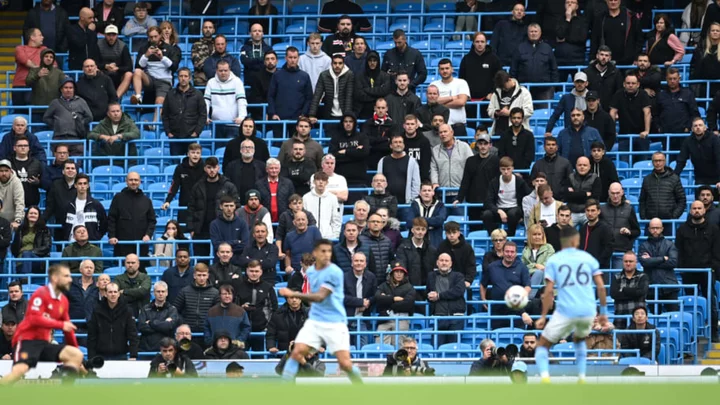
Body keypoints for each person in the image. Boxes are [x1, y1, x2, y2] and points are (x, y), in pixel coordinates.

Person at [534, 226, 608, 383]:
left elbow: (548, 292)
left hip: (566, 310)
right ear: (576, 241)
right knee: (579, 339)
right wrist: (603, 313)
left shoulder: (554, 260)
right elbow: (601, 287)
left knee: (542, 345)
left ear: (562, 242)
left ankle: (545, 378)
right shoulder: (588, 258)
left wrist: (543, 316)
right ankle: (581, 377)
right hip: (588, 311)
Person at [0, 265, 84, 385]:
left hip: (44, 344)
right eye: (66, 276)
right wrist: (61, 324)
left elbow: (68, 329)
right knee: (19, 371)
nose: (70, 279)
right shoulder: (41, 294)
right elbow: (35, 319)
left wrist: (74, 350)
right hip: (26, 342)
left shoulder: (63, 301)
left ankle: (66, 393)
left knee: (76, 355)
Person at [676, 200, 720, 342]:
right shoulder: (682, 229)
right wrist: (682, 268)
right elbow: (679, 250)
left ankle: (713, 333)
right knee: (690, 304)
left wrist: (713, 267)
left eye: (699, 208)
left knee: (711, 303)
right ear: (690, 211)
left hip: (707, 271)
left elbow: (717, 250)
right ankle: (692, 335)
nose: (697, 211)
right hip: (689, 272)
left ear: (704, 210)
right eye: (694, 208)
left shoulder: (713, 229)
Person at [188, 157, 239, 260]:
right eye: (209, 167)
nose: (212, 170)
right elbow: (191, 208)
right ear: (205, 168)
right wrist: (191, 228)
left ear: (218, 168)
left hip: (222, 228)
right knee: (202, 261)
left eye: (214, 167)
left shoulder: (228, 186)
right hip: (201, 229)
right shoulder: (197, 186)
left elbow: (236, 205)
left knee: (221, 260)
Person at [481, 241, 532, 329]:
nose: (509, 254)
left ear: (516, 253)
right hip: (497, 309)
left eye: (512, 252)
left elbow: (527, 286)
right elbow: (483, 284)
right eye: (507, 251)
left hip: (516, 308)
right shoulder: (492, 267)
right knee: (496, 337)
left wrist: (522, 295)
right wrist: (483, 299)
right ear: (502, 252)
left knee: (517, 337)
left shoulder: (522, 267)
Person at [455, 131, 500, 227]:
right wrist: (459, 198)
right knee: (474, 228)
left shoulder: (496, 161)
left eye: (485, 144)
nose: (483, 146)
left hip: (491, 201)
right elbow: (465, 180)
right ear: (477, 145)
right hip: (473, 200)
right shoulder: (470, 161)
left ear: (490, 145)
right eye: (480, 144)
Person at [108, 172, 156, 259]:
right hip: (122, 244)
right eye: (131, 180)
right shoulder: (118, 198)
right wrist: (112, 236)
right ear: (126, 181)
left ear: (140, 182)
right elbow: (111, 218)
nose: (133, 182)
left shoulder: (146, 200)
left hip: (141, 244)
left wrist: (148, 235)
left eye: (136, 180)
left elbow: (152, 220)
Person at [231, 260, 277, 352]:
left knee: (259, 359)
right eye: (251, 271)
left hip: (261, 330)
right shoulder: (239, 286)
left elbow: (274, 309)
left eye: (256, 271)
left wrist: (268, 326)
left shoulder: (268, 287)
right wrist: (241, 308)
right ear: (247, 271)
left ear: (261, 272)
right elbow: (232, 306)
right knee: (241, 358)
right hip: (241, 330)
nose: (254, 274)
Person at [161, 68, 207, 157]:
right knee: (175, 164)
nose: (183, 78)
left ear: (190, 78)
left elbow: (203, 115)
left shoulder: (198, 94)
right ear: (178, 77)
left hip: (192, 136)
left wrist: (196, 132)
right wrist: (168, 132)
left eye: (185, 76)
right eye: (181, 76)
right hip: (174, 136)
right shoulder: (170, 94)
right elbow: (165, 115)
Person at [87, 282, 138, 360]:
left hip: (121, 355)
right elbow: (92, 336)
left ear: (119, 294)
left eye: (115, 292)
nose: (113, 294)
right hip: (100, 355)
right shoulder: (97, 310)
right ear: (106, 294)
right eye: (110, 292)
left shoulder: (127, 311)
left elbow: (132, 334)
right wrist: (91, 357)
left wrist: (133, 355)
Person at [42, 77, 92, 156]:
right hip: (59, 138)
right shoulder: (55, 103)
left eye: (71, 88)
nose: (68, 90)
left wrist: (79, 123)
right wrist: (57, 124)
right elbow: (46, 118)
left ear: (74, 89)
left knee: (76, 163)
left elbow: (89, 117)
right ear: (61, 89)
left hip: (76, 138)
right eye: (66, 88)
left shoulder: (81, 102)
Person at [638, 218, 679, 313]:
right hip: (651, 286)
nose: (655, 230)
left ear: (662, 229)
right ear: (648, 229)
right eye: (652, 228)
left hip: (669, 286)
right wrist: (663, 258)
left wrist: (652, 261)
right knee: (654, 317)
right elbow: (644, 262)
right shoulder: (643, 246)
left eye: (657, 228)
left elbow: (673, 262)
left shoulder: (670, 245)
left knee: (673, 316)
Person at [483, 157, 531, 236]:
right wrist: (498, 211)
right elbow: (488, 201)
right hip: (499, 208)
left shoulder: (519, 181)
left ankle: (510, 236)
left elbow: (529, 195)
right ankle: (494, 236)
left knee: (512, 214)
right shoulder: (494, 182)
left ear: (512, 168)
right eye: (503, 169)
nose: (506, 172)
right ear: (500, 169)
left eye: (508, 169)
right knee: (486, 215)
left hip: (515, 209)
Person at [459, 32, 501, 123]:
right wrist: (465, 95)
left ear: (486, 43)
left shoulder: (494, 59)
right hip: (470, 102)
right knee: (471, 126)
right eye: (477, 41)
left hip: (488, 101)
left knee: (488, 127)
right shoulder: (466, 59)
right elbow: (461, 80)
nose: (480, 44)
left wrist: (493, 93)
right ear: (473, 43)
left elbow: (499, 78)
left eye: (482, 41)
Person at [510, 24, 559, 101]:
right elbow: (513, 69)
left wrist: (553, 86)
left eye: (536, 31)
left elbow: (554, 68)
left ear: (540, 33)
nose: (533, 33)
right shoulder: (520, 48)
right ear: (528, 33)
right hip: (523, 89)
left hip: (544, 89)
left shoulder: (547, 48)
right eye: (531, 31)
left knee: (544, 112)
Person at [427, 253, 467, 345]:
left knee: (453, 348)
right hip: (438, 318)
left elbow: (458, 291)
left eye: (446, 261)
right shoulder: (431, 276)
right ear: (437, 263)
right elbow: (428, 292)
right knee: (436, 347)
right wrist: (430, 296)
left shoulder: (458, 276)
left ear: (451, 263)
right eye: (441, 260)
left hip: (455, 317)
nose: (444, 263)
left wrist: (439, 296)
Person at [162, 144, 204, 230]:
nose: (195, 155)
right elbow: (174, 186)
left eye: (198, 153)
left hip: (201, 207)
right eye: (193, 152)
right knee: (183, 235)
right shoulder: (180, 168)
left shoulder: (205, 168)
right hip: (185, 207)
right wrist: (168, 201)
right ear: (188, 154)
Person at [609, 72, 652, 154]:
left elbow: (647, 112)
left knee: (642, 162)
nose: (630, 85)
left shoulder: (643, 94)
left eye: (633, 83)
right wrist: (612, 130)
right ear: (624, 84)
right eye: (628, 83)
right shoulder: (618, 94)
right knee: (623, 161)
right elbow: (612, 112)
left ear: (638, 84)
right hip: (624, 136)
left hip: (641, 136)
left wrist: (646, 131)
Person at [589, 0, 643, 65]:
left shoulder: (631, 17)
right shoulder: (600, 18)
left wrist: (636, 58)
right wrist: (592, 58)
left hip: (627, 62)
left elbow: (639, 39)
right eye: (611, 0)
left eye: (615, 0)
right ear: (606, 1)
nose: (613, 2)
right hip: (605, 62)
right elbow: (594, 39)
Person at [174, 263, 220, 339]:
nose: (201, 278)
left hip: (208, 333)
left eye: (204, 275)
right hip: (188, 333)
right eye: (199, 275)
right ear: (194, 276)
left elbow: (218, 313)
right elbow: (175, 310)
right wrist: (183, 323)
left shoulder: (215, 293)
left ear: (208, 276)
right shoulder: (185, 291)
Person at [639, 152, 686, 225]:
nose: (658, 163)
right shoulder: (647, 179)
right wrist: (643, 217)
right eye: (655, 161)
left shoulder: (674, 178)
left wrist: (674, 217)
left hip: (669, 222)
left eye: (660, 160)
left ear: (665, 161)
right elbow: (642, 200)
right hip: (650, 222)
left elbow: (682, 200)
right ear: (652, 162)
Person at [204, 60, 247, 139]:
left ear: (229, 70)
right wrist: (205, 116)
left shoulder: (237, 82)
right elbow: (206, 102)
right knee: (217, 150)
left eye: (225, 70)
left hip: (233, 125)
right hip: (216, 125)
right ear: (216, 71)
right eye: (220, 70)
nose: (223, 73)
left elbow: (241, 101)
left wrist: (242, 116)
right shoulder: (211, 82)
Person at [375, 262, 415, 346]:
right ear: (392, 273)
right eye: (396, 272)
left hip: (402, 319)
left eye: (401, 272)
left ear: (404, 274)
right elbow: (377, 298)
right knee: (380, 346)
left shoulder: (409, 287)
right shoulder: (384, 285)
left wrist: (387, 301)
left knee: (399, 348)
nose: (399, 274)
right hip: (384, 318)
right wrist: (393, 299)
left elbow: (408, 304)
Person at [430, 124, 473, 200]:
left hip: (460, 192)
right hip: (441, 192)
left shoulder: (464, 147)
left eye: (445, 131)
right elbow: (434, 169)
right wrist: (434, 182)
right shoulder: (435, 150)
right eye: (441, 132)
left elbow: (471, 167)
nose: (443, 134)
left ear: (452, 132)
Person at [603, 183, 641, 268]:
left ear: (622, 192)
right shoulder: (602, 210)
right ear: (609, 193)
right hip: (604, 253)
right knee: (604, 281)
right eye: (613, 193)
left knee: (618, 280)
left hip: (622, 252)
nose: (615, 196)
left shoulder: (629, 209)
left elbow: (637, 231)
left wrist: (629, 232)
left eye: (617, 193)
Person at [329, 113, 369, 191]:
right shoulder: (336, 138)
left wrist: (345, 151)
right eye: (346, 121)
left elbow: (364, 153)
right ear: (342, 123)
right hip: (339, 179)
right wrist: (355, 152)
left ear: (354, 123)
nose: (348, 124)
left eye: (351, 121)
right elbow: (333, 156)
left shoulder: (362, 137)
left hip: (358, 179)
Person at [674, 117, 720, 188]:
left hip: (716, 177)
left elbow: (719, 159)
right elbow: (681, 160)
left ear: (705, 127)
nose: (698, 127)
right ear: (692, 129)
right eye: (695, 126)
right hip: (699, 177)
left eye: (700, 125)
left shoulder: (714, 139)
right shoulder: (688, 141)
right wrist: (674, 177)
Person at [343, 252, 377, 347]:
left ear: (365, 264)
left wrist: (368, 302)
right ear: (352, 263)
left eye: (361, 261)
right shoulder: (344, 277)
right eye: (356, 260)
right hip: (346, 318)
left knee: (363, 349)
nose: (359, 263)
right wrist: (360, 302)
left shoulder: (371, 277)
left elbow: (375, 295)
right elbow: (341, 297)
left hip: (363, 318)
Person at [309, 54, 354, 122]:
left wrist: (347, 116)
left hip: (344, 115)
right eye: (335, 63)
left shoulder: (349, 74)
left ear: (343, 64)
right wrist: (311, 115)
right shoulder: (324, 75)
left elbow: (349, 96)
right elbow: (317, 95)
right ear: (331, 64)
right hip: (329, 114)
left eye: (340, 63)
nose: (337, 65)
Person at [138, 281, 180, 352]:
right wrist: (163, 324)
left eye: (163, 291)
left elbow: (169, 327)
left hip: (166, 349)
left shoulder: (172, 309)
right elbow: (141, 327)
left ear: (167, 293)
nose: (160, 294)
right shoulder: (145, 309)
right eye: (158, 291)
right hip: (146, 348)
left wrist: (151, 323)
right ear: (154, 293)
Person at [204, 284, 251, 348]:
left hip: (234, 348)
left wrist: (239, 340)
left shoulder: (240, 311)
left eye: (229, 294)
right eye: (224, 294)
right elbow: (206, 328)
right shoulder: (211, 311)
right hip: (215, 348)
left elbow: (246, 328)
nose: (227, 296)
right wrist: (209, 341)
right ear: (220, 295)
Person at [429, 59, 471, 131]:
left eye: (447, 68)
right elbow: (431, 102)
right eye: (442, 69)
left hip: (458, 126)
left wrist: (439, 104)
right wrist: (453, 98)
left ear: (452, 69)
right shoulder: (433, 84)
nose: (444, 71)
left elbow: (461, 102)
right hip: (438, 127)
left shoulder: (461, 83)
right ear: (439, 70)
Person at [377, 134, 420, 204]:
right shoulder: (383, 161)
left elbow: (416, 183)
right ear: (391, 145)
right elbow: (378, 181)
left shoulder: (412, 161)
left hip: (406, 203)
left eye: (400, 142)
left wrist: (412, 200)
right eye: (395, 142)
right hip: (386, 203)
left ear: (404, 145)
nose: (398, 144)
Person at [12, 28, 48, 110]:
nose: (43, 37)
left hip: (37, 86)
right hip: (20, 85)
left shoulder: (44, 49)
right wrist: (39, 68)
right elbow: (25, 60)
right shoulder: (20, 48)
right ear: (32, 37)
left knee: (36, 113)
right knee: (19, 114)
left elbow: (52, 64)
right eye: (40, 35)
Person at [487, 71, 533, 135]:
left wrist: (511, 113)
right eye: (501, 87)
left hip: (518, 132)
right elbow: (490, 110)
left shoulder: (524, 92)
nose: (503, 89)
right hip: (499, 131)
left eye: (504, 86)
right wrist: (496, 113)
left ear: (509, 80)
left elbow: (529, 111)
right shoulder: (496, 93)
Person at [610, 252, 648, 328]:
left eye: (630, 261)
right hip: (620, 319)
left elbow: (641, 292)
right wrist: (634, 293)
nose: (628, 263)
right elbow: (614, 294)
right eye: (625, 261)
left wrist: (623, 290)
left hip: (638, 320)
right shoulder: (616, 277)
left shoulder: (643, 276)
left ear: (636, 263)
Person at [26, 49, 64, 122]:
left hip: (54, 110)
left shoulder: (59, 73)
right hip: (37, 110)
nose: (49, 58)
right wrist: (37, 76)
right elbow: (28, 82)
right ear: (42, 57)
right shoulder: (34, 70)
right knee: (37, 133)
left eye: (51, 57)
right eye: (46, 56)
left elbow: (64, 86)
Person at [11, 206, 51, 275]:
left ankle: (25, 280)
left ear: (39, 216)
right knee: (24, 256)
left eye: (35, 213)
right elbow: (14, 248)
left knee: (26, 254)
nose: (33, 215)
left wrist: (31, 252)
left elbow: (47, 247)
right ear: (27, 215)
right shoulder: (20, 229)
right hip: (21, 259)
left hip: (38, 259)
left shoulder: (44, 229)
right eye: (31, 213)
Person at [97, 25, 133, 99]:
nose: (111, 37)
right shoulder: (98, 45)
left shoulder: (123, 46)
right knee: (95, 70)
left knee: (129, 74)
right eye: (109, 35)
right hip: (103, 73)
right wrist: (105, 66)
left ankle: (115, 98)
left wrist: (117, 68)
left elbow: (129, 66)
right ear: (105, 35)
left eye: (113, 35)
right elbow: (94, 62)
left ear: (117, 35)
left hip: (118, 74)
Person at [583, 46, 623, 112]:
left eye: (606, 55)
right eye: (601, 54)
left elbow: (619, 92)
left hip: (610, 110)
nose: (604, 57)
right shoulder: (587, 72)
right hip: (590, 110)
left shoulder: (616, 73)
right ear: (597, 56)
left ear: (610, 58)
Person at [353, 51, 391, 119]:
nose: (372, 63)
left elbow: (385, 91)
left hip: (381, 111)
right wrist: (377, 96)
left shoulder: (385, 76)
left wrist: (366, 90)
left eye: (374, 61)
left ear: (378, 62)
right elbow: (359, 95)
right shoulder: (359, 76)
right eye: (370, 61)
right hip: (362, 111)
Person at [256, 158, 295, 223]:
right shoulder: (259, 184)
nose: (274, 170)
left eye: (276, 168)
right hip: (264, 219)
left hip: (284, 220)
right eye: (271, 168)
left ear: (279, 169)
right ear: (266, 169)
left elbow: (292, 200)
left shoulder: (288, 183)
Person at [565, 157, 601, 226]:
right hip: (572, 212)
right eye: (580, 165)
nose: (582, 167)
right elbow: (568, 196)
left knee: (594, 231)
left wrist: (575, 194)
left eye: (585, 165)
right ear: (576, 166)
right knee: (565, 232)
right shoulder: (570, 177)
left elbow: (595, 196)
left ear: (589, 166)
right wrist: (586, 194)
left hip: (588, 212)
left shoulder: (595, 178)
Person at [579, 199, 614, 269]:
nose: (590, 213)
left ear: (598, 211)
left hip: (600, 269)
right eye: (588, 210)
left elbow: (609, 248)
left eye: (593, 210)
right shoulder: (583, 229)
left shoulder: (605, 228)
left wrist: (598, 262)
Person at [362, 98, 395, 171]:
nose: (380, 110)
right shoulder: (367, 124)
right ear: (374, 108)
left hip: (387, 159)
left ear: (387, 108)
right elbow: (366, 140)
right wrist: (385, 139)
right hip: (370, 159)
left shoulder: (392, 124)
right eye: (378, 108)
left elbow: (392, 144)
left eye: (383, 108)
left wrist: (374, 143)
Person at [9, 137, 42, 207]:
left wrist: (38, 182)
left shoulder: (36, 163)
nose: (23, 147)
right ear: (14, 148)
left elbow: (45, 182)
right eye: (20, 146)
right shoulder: (8, 164)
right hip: (12, 203)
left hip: (32, 204)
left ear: (29, 148)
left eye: (25, 145)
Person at [522, 224, 556, 290]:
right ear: (530, 236)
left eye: (539, 234)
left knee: (539, 272)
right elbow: (523, 268)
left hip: (545, 282)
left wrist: (532, 267)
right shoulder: (526, 250)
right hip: (529, 279)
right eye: (534, 234)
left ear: (543, 235)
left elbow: (547, 266)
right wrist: (536, 265)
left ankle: (528, 297)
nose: (537, 237)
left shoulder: (549, 248)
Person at [691, 22, 720, 97]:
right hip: (703, 86)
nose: (715, 32)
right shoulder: (701, 48)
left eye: (717, 31)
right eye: (713, 30)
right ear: (709, 33)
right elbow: (694, 66)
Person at [247, 51, 278, 115]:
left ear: (277, 61)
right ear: (264, 62)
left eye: (272, 59)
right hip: (261, 112)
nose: (270, 61)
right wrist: (265, 112)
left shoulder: (282, 76)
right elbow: (255, 98)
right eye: (267, 59)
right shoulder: (257, 77)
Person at [189, 21, 215, 86]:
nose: (208, 29)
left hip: (216, 78)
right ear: (202, 30)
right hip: (201, 79)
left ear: (213, 30)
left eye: (210, 27)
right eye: (205, 27)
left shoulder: (217, 44)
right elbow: (197, 64)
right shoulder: (196, 45)